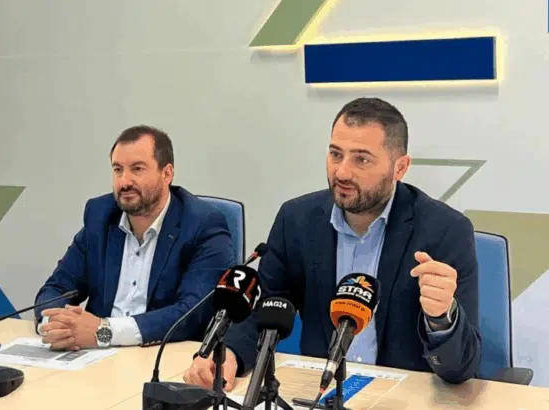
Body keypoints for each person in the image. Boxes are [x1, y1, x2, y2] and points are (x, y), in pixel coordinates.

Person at [183, 97, 481, 389]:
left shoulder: (444, 231)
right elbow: (266, 307)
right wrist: (231, 354)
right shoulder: (297, 220)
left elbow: (462, 368)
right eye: (336, 154)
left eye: (361, 159)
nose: (342, 172)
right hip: (320, 390)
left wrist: (441, 319)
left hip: (404, 396)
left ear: (399, 168)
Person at [34, 125, 235, 350]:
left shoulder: (202, 224)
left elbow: (192, 314)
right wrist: (56, 325)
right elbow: (56, 288)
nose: (124, 182)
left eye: (137, 169)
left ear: (167, 174)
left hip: (160, 354)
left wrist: (105, 331)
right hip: (93, 356)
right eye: (118, 169)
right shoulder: (100, 216)